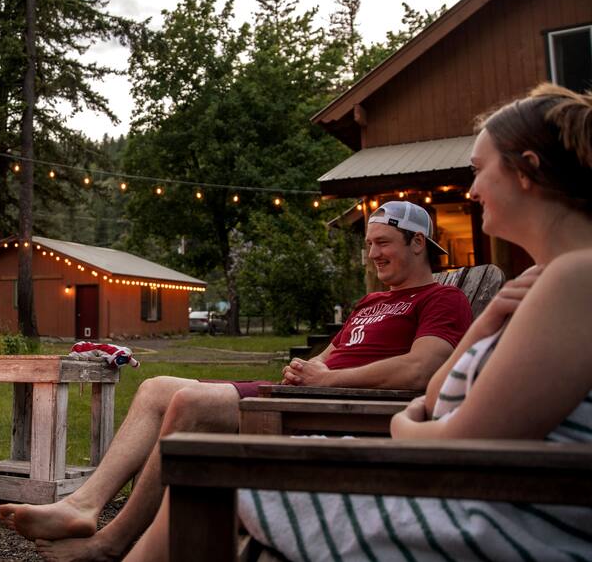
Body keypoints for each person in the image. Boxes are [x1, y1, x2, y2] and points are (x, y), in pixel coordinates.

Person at [124, 83, 592, 561]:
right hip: (468, 488)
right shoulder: (550, 280)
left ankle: (111, 545)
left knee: (213, 473)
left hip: (492, 517)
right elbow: (440, 397)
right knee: (199, 442)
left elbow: (457, 435)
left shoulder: (575, 277)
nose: (472, 190)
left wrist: (404, 423)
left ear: (526, 170)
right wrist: (489, 317)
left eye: (478, 170)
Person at [0, 201, 472, 562]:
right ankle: (83, 506)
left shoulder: (442, 299)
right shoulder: (371, 302)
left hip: (332, 412)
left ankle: (112, 542)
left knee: (190, 403)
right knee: (154, 387)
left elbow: (421, 368)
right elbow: (330, 356)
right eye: (369, 244)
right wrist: (307, 368)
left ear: (417, 242)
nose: (372, 254)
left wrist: (329, 379)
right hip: (305, 394)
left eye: (383, 243)